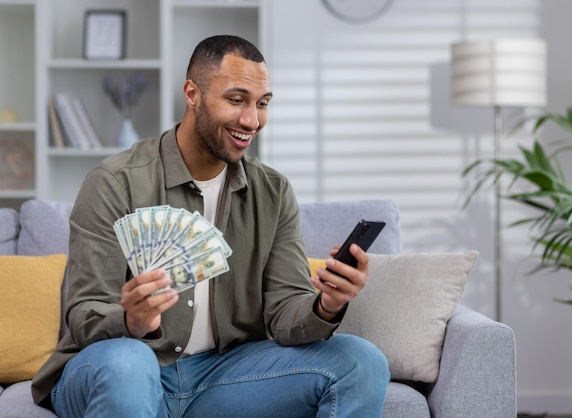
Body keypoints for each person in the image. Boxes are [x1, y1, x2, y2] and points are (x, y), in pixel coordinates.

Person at [32, 35, 390, 417]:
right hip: (123, 366)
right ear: (192, 94)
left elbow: (285, 314)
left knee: (362, 362)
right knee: (128, 364)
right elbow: (84, 314)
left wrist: (326, 306)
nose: (251, 120)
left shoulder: (273, 191)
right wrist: (131, 320)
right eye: (236, 100)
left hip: (221, 377)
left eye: (262, 104)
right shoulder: (114, 182)